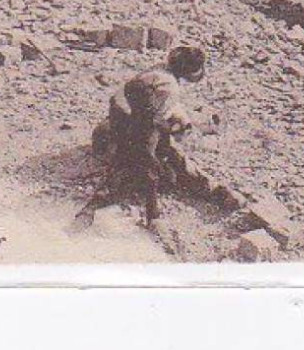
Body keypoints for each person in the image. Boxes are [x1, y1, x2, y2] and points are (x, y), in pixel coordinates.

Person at [76, 45, 217, 227]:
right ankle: (152, 216)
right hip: (130, 129)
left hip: (113, 123)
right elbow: (148, 128)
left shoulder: (156, 71)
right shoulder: (169, 90)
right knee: (152, 167)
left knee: (147, 159)